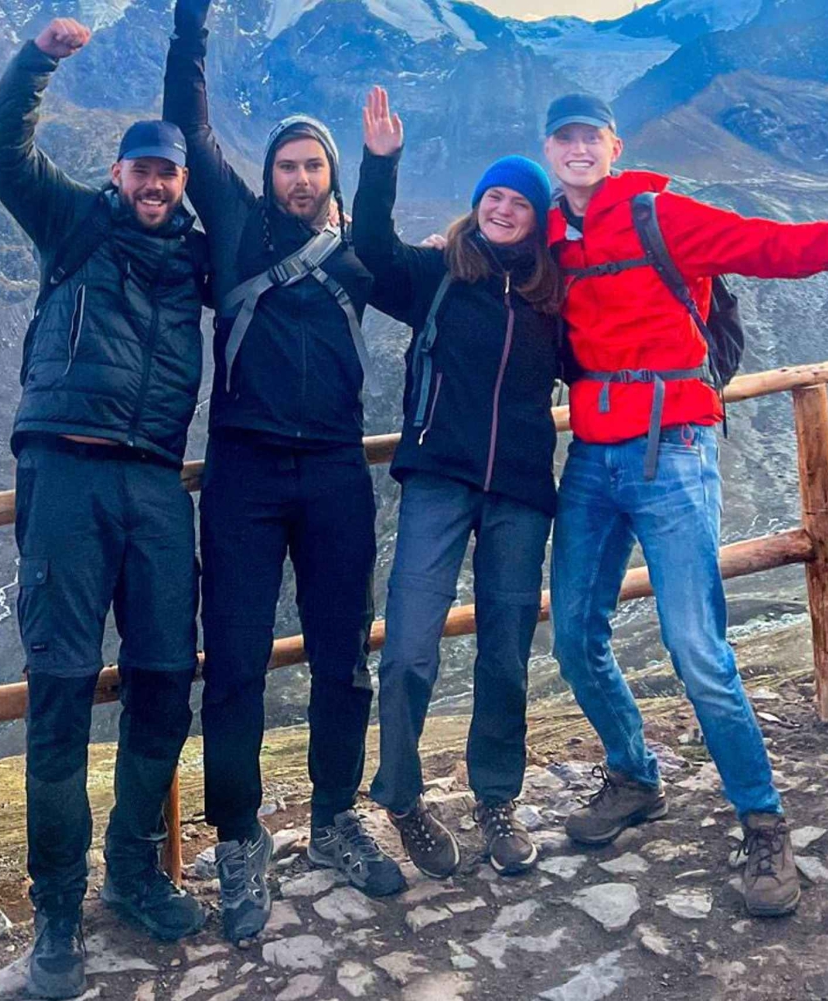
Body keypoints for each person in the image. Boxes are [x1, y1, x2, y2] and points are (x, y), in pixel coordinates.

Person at [540, 92, 828, 918]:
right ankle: (634, 773)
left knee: (697, 647)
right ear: (549, 151)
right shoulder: (552, 236)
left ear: (613, 147)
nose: (579, 149)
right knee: (573, 639)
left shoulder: (661, 213)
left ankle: (763, 821)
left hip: (675, 449)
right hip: (591, 455)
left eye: (591, 136)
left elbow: (780, 248)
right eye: (565, 138)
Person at [0, 18, 213, 997]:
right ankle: (57, 918)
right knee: (63, 691)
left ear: (183, 182)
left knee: (163, 678)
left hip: (156, 479)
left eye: (168, 173)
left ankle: (133, 873)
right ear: (118, 174)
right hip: (67, 472)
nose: (153, 184)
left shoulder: (201, 255)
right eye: (140, 170)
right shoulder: (73, 222)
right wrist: (36, 61)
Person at [163, 0, 406, 943]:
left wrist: (380, 166)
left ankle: (337, 816)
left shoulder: (353, 248)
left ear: (330, 177)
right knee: (233, 666)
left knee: (345, 655)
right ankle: (238, 840)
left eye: (315, 166)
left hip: (338, 473)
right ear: (266, 175)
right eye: (288, 165)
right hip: (245, 479)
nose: (300, 178)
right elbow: (191, 122)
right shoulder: (233, 225)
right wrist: (193, 18)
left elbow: (387, 250)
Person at [352, 86, 562, 881]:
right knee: (407, 651)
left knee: (505, 654)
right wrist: (380, 163)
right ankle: (402, 798)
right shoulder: (437, 272)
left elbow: (608, 344)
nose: (505, 208)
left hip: (518, 495)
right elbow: (369, 247)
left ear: (538, 219)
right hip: (438, 480)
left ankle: (495, 799)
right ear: (478, 207)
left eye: (520, 200)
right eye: (494, 197)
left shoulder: (552, 299)